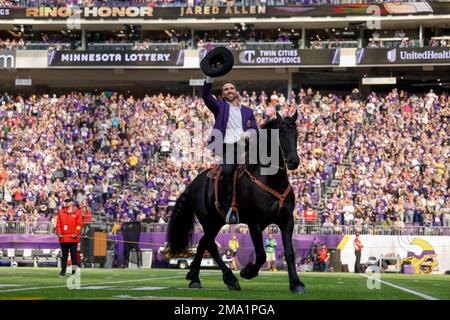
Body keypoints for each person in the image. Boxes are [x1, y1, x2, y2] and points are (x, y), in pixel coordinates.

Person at [202, 76, 258, 224]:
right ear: (223, 93)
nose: (229, 91)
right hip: (229, 146)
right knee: (227, 171)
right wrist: (209, 78)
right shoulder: (220, 106)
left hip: (247, 145)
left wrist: (249, 133)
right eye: (226, 89)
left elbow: (254, 128)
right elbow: (206, 96)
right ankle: (229, 208)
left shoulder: (248, 111)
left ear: (237, 92)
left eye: (231, 88)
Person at [55, 198, 82, 277]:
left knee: (74, 256)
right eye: (66, 201)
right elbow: (58, 225)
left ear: (72, 202)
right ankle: (63, 272)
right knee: (64, 256)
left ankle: (74, 272)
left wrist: (76, 233)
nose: (66, 203)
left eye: (68, 201)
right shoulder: (61, 212)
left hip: (73, 239)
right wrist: (59, 233)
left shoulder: (77, 212)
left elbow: (79, 225)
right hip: (63, 238)